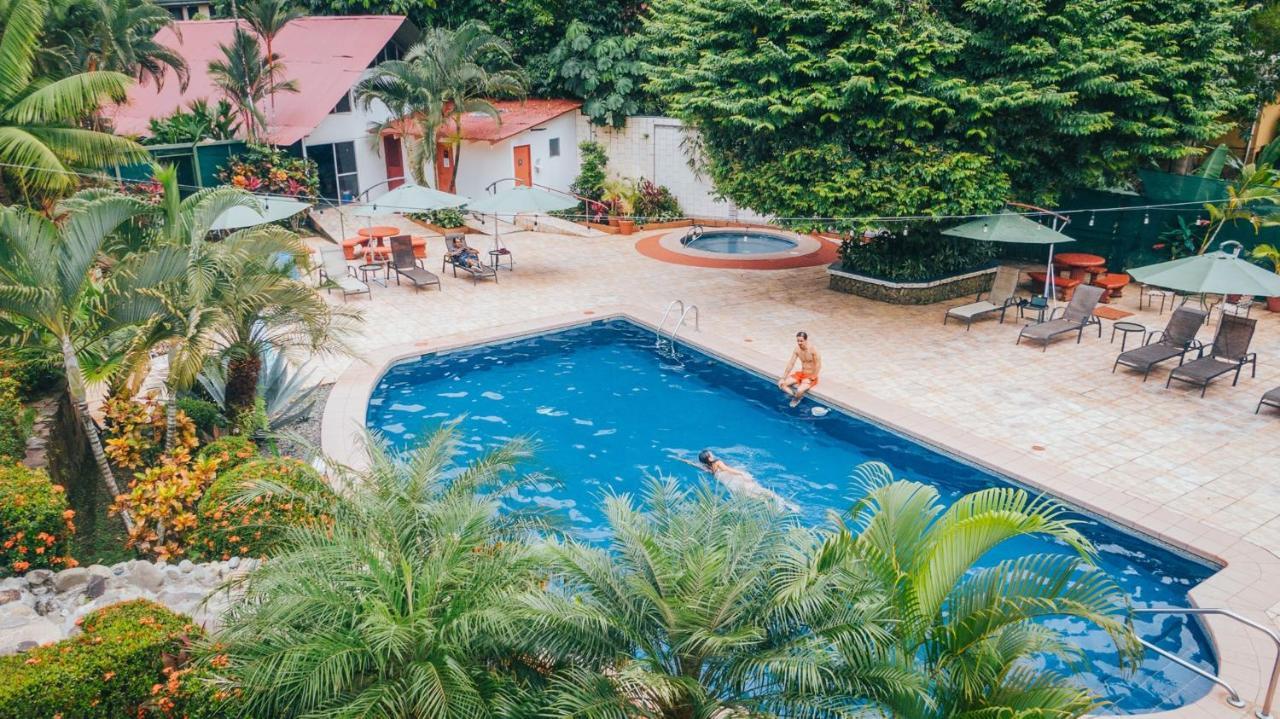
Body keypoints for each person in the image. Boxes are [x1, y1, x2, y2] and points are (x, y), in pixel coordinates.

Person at [674, 450, 796, 511]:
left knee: (752, 496)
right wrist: (742, 474)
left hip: (729, 484)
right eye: (710, 453)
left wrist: (683, 460)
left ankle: (771, 506)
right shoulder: (718, 462)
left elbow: (694, 464)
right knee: (761, 490)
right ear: (710, 457)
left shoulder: (708, 467)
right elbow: (728, 469)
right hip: (735, 478)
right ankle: (784, 503)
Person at [778, 330, 821, 407]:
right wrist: (783, 377)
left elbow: (818, 364)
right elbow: (791, 363)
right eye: (798, 341)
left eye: (801, 341)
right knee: (782, 384)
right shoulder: (797, 349)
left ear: (806, 340)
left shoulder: (813, 349)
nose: (799, 343)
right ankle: (796, 396)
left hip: (810, 376)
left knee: (800, 390)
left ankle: (796, 399)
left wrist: (813, 377)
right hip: (801, 374)